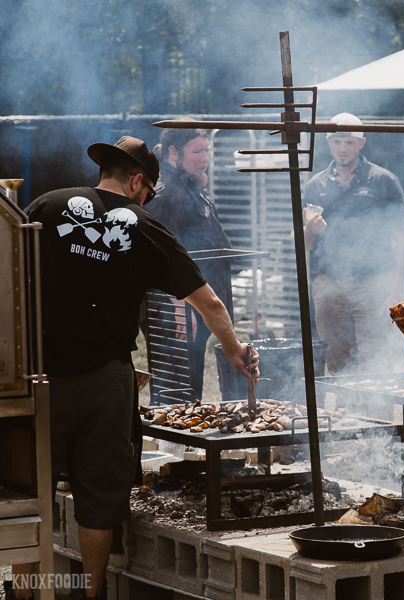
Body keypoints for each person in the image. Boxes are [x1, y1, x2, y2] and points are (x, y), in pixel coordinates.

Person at [12, 136, 258, 600]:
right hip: (104, 380)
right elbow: (209, 303)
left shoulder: (46, 205)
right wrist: (233, 349)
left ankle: (25, 594)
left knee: (33, 493)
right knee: (100, 497)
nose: (148, 201)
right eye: (149, 193)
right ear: (139, 180)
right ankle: (90, 593)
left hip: (38, 375)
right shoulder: (146, 228)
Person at [303, 112, 404, 418]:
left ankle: (381, 427)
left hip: (373, 281)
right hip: (329, 284)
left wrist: (397, 285)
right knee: (336, 357)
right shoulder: (315, 184)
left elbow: (402, 234)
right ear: (328, 142)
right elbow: (305, 243)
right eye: (337, 141)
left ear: (361, 143)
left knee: (375, 356)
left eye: (348, 141)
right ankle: (345, 424)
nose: (342, 148)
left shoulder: (383, 180)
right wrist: (311, 229)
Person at [147, 126, 233, 401]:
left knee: (192, 388)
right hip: (181, 312)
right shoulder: (167, 194)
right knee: (177, 394)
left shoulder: (192, 188)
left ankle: (186, 443)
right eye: (197, 151)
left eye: (206, 150)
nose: (204, 157)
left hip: (197, 308)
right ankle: (173, 444)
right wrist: (180, 307)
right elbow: (160, 259)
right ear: (173, 153)